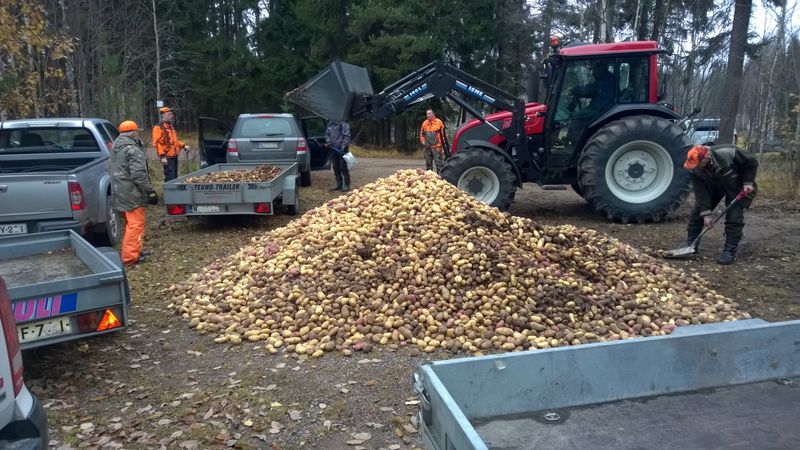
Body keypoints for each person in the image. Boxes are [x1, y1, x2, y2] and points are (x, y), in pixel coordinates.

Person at [683, 144, 759, 265]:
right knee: (698, 213)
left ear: (706, 158)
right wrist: (706, 214)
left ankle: (729, 251)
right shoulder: (695, 169)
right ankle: (691, 244)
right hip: (714, 185)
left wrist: (748, 182)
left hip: (735, 183)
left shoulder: (727, 153)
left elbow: (752, 162)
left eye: (698, 164)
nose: (695, 167)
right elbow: (701, 193)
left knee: (734, 217)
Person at [110, 120, 159, 266]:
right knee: (136, 224)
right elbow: (138, 175)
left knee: (130, 223)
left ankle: (136, 250)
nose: (138, 133)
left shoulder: (116, 147)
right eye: (137, 131)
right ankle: (130, 257)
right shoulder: (132, 149)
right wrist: (150, 192)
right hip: (132, 193)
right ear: (132, 133)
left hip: (119, 191)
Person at [152, 106, 190, 182]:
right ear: (163, 115)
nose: (171, 116)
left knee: (175, 177)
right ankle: (169, 193)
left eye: (171, 114)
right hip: (167, 157)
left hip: (174, 155)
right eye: (169, 114)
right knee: (170, 178)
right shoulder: (158, 126)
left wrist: (183, 146)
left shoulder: (170, 126)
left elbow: (174, 141)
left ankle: (175, 193)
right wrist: (162, 156)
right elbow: (156, 143)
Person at [325, 120, 352, 191]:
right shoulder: (330, 123)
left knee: (343, 166)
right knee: (335, 166)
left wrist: (343, 147)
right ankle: (339, 184)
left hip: (342, 149)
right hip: (333, 148)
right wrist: (328, 142)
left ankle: (346, 185)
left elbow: (347, 136)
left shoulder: (344, 123)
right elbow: (327, 134)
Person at [420, 109, 449, 173]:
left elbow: (443, 135)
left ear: (433, 114)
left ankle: (440, 177)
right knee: (428, 163)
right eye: (427, 114)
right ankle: (429, 177)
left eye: (429, 113)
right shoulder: (425, 123)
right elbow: (421, 134)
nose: (428, 115)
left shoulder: (439, 122)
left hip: (436, 147)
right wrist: (423, 142)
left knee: (439, 163)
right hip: (427, 147)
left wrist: (443, 145)